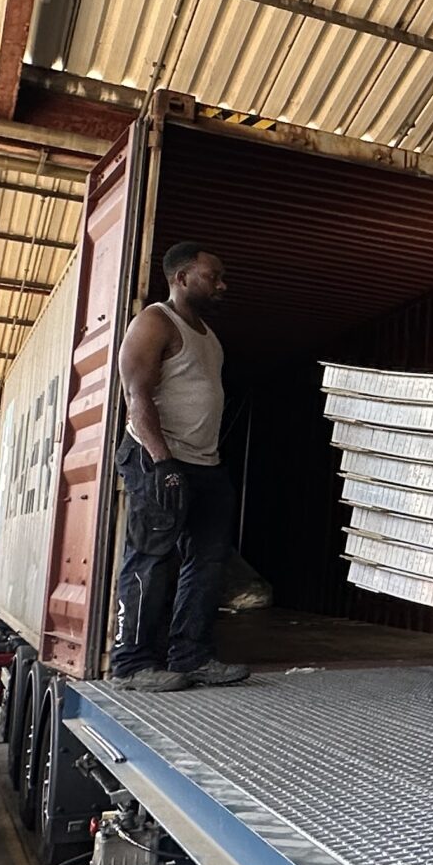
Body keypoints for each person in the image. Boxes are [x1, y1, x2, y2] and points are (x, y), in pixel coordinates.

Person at [109, 243, 249, 692]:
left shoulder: (209, 336)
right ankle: (131, 665)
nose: (222, 285)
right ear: (182, 277)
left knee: (207, 561)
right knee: (151, 558)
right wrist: (162, 462)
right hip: (158, 458)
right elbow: (136, 397)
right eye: (214, 276)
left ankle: (192, 657)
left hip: (205, 463)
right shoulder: (155, 322)